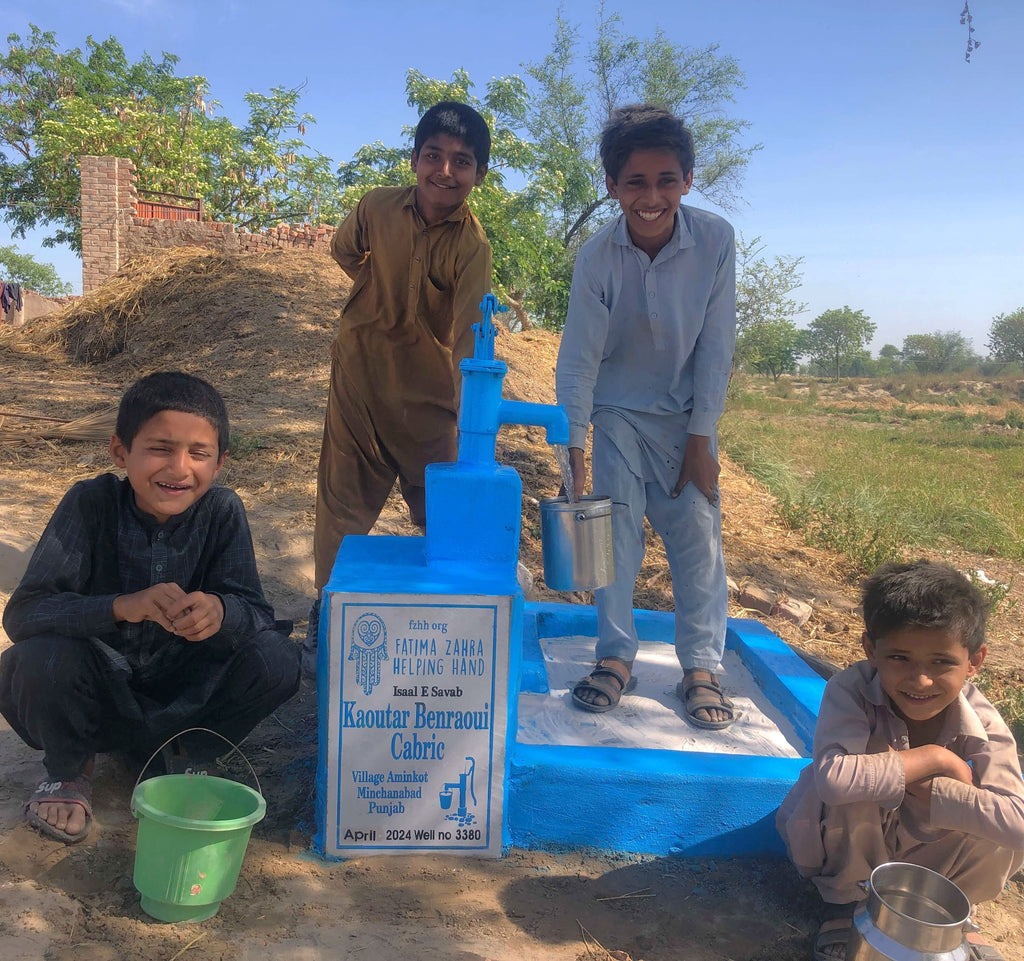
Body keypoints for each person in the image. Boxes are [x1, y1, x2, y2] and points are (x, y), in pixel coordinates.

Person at [0, 371, 301, 844]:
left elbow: (255, 613)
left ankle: (186, 753)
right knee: (37, 658)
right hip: (97, 699)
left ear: (220, 462)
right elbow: (25, 614)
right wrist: (121, 606)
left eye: (199, 453)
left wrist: (221, 612)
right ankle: (69, 768)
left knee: (278, 658)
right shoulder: (90, 504)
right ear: (121, 452)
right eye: (160, 448)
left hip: (186, 698)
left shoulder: (222, 511)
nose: (180, 468)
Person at [555, 104, 737, 727]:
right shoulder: (597, 258)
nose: (651, 196)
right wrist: (573, 447)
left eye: (666, 180)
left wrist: (702, 437)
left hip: (686, 420)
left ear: (688, 181)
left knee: (697, 541)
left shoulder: (715, 240)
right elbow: (578, 359)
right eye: (635, 182)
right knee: (615, 540)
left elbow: (716, 346)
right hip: (619, 417)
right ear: (612, 187)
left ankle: (702, 669)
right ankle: (615, 658)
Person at [307, 100, 493, 674]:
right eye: (433, 155)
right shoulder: (374, 207)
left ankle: (452, 627)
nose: (444, 170)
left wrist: (471, 415)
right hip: (359, 375)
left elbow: (468, 334)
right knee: (341, 500)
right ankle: (327, 614)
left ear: (477, 175)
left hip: (426, 394)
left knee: (443, 505)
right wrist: (373, 294)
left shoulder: (472, 248)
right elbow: (343, 250)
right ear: (414, 160)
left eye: (461, 161)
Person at [776, 560, 1024, 960]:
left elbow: (1018, 823)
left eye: (941, 662)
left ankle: (953, 910)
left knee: (998, 828)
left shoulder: (984, 719)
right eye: (900, 658)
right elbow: (835, 781)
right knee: (850, 787)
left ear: (974, 661)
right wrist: (937, 758)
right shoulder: (851, 690)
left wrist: (944, 792)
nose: (920, 680)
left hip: (926, 856)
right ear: (871, 650)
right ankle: (843, 903)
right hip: (854, 840)